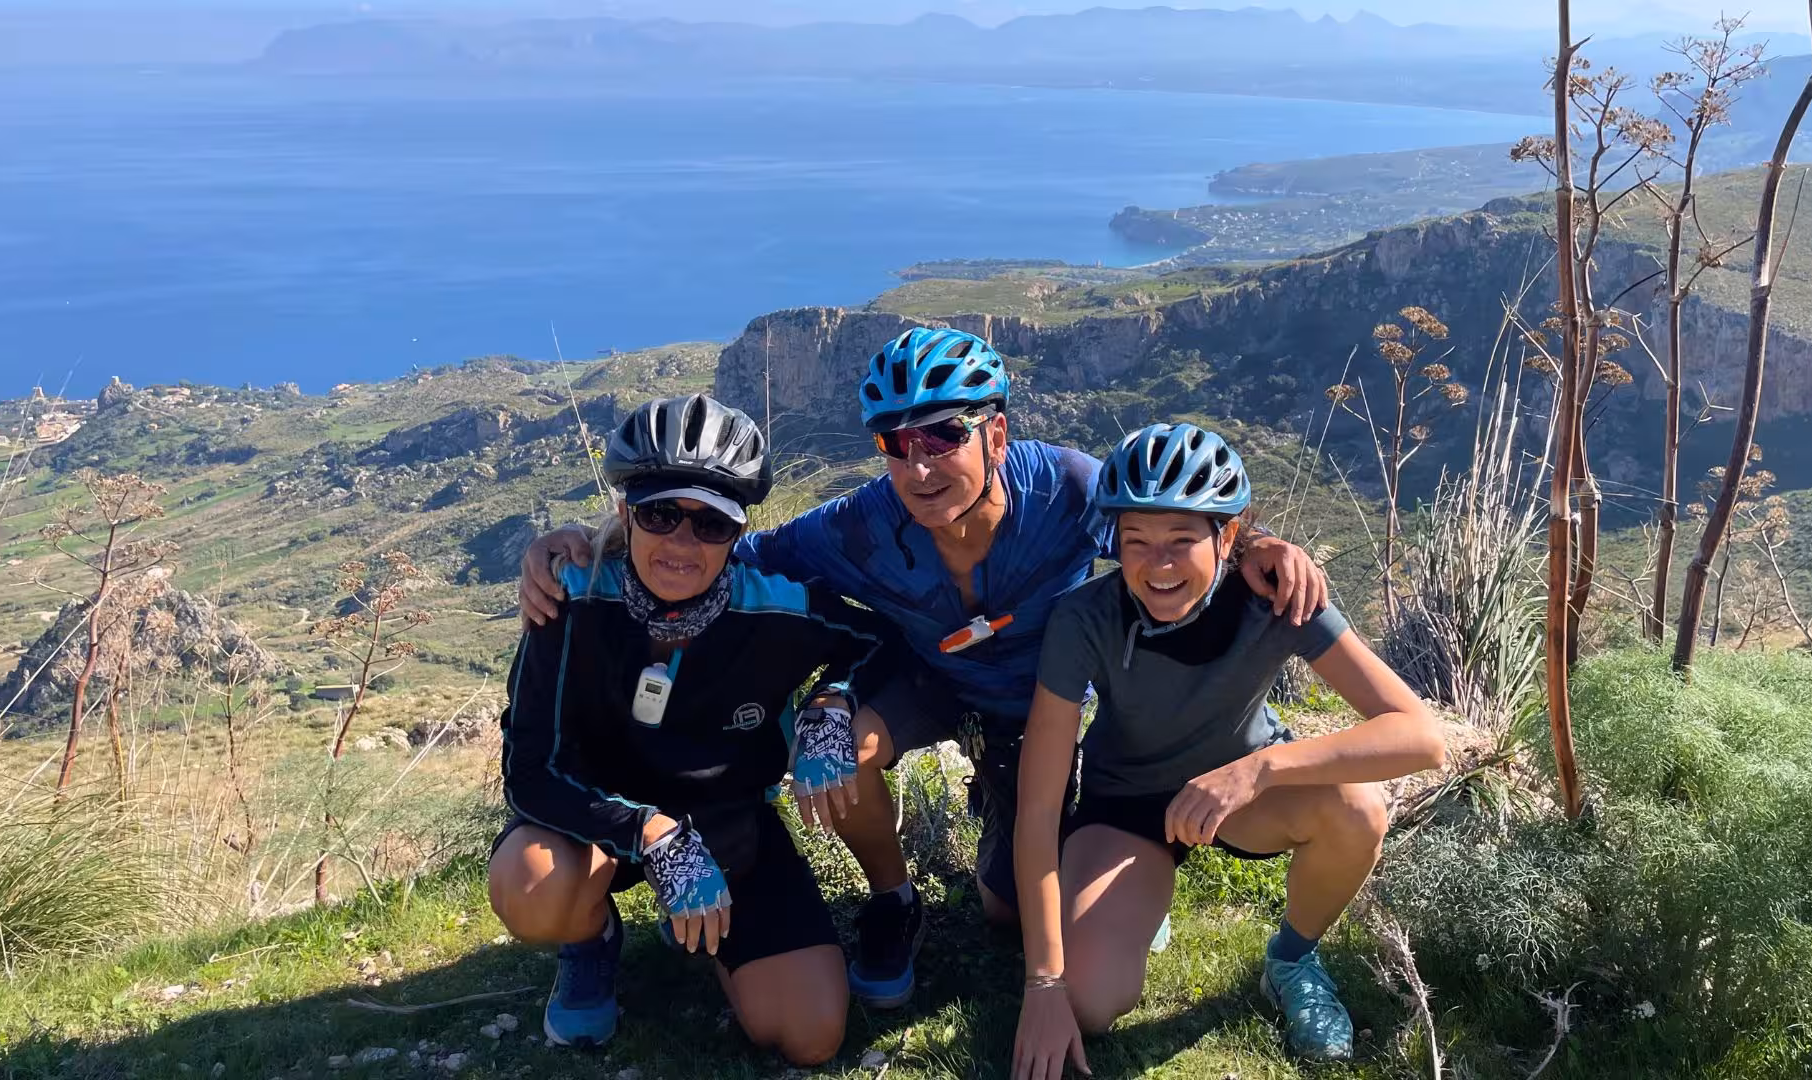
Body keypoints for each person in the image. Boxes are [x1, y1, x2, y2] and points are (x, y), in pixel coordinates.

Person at [518, 328, 1330, 1010]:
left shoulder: (1072, 490)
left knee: (1006, 912)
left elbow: (1169, 524)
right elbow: (719, 555)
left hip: (1033, 708)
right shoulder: (857, 527)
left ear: (996, 434)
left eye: (944, 435)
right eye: (897, 445)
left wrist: (1256, 545)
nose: (921, 466)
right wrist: (586, 545)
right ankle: (891, 901)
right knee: (842, 751)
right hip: (925, 684)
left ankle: (1070, 876)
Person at [1011, 422, 1445, 1075]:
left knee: (1357, 809)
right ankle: (1139, 903)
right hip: (1126, 812)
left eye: (1182, 540)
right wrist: (1043, 984)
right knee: (1087, 1001)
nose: (1157, 565)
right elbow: (1039, 808)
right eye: (1136, 541)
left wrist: (1260, 770)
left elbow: (1420, 736)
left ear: (1229, 538)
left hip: (1244, 796)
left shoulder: (1280, 599)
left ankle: (1292, 960)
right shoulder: (1083, 619)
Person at [489, 394, 885, 1063]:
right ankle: (590, 939)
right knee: (532, 887)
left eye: (711, 525)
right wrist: (652, 834)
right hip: (597, 830)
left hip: (730, 825)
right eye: (661, 514)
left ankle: (705, 928)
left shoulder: (777, 608)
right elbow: (531, 772)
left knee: (810, 1034)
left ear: (737, 534)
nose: (681, 541)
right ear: (626, 514)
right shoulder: (573, 601)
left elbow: (877, 642)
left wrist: (832, 706)